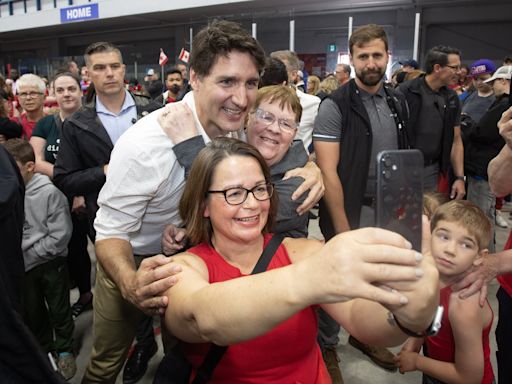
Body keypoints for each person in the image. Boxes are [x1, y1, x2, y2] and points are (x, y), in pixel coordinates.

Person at [163, 136, 438, 383]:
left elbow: (362, 319)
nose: (252, 203)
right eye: (234, 193)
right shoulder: (185, 267)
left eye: (260, 189)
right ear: (203, 205)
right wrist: (310, 278)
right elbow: (202, 319)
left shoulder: (301, 252)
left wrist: (408, 313)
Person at [52, 41, 160, 384]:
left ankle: (145, 346)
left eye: (114, 66)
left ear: (124, 69)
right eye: (99, 68)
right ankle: (138, 344)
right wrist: (104, 170)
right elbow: (64, 178)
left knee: (160, 297)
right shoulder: (78, 123)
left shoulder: (152, 111)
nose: (108, 73)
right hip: (111, 230)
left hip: (160, 226)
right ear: (87, 74)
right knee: (118, 307)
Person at [313, 24, 411, 380]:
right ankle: (326, 345)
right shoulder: (334, 106)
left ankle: (364, 333)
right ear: (351, 59)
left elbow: (403, 159)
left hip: (387, 210)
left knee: (376, 278)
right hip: (347, 210)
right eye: (363, 56)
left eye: (377, 55)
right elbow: (329, 172)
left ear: (387, 57)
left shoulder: (398, 101)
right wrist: (342, 232)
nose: (371, 62)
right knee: (337, 279)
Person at [396, 199, 494, 384]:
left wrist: (417, 362)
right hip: (436, 369)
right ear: (429, 235)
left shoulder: (464, 306)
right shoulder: (433, 278)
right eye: (443, 236)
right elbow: (436, 317)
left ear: (479, 257)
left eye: (466, 244)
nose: (450, 250)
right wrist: (417, 339)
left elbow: (469, 377)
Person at [4, 138, 75, 380]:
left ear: (30, 167)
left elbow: (60, 235)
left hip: (49, 264)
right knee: (33, 312)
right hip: (23, 268)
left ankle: (65, 349)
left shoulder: (49, 193)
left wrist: (29, 255)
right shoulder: (9, 193)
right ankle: (45, 350)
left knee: (59, 308)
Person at [29, 72, 94, 319]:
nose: (66, 94)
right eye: (60, 90)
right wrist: (69, 177)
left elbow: (100, 161)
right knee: (73, 248)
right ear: (53, 94)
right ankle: (85, 295)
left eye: (71, 89)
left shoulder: (93, 120)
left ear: (80, 91)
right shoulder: (46, 124)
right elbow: (36, 160)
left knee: (103, 245)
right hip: (58, 199)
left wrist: (78, 186)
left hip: (91, 194)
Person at [397, 46, 465, 198]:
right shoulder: (405, 92)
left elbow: (456, 139)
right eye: (454, 67)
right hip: (403, 169)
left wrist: (460, 178)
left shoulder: (452, 98)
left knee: (428, 216)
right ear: (437, 68)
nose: (459, 72)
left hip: (432, 170)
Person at [464, 65, 511, 252]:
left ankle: (483, 257)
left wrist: (467, 125)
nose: (491, 86)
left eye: (493, 82)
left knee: (481, 216)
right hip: (487, 167)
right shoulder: (497, 102)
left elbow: (483, 132)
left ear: (503, 81)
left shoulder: (504, 104)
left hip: (484, 168)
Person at [270, 50, 321, 153]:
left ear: (293, 75)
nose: (273, 74)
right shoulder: (255, 101)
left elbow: (324, 138)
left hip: (297, 167)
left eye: (280, 70)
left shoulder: (313, 104)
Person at [462, 59, 496, 124]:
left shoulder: (499, 99)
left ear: (493, 77)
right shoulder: (466, 96)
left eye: (483, 79)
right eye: (475, 79)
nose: (478, 82)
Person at [14, 73, 46, 139]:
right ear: (18, 98)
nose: (28, 98)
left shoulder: (55, 123)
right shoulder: (13, 124)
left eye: (33, 93)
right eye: (23, 94)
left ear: (44, 97)